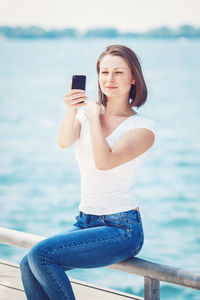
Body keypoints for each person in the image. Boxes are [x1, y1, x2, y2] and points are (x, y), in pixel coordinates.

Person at [20, 44, 157, 300]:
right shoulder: (85, 116)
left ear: (133, 78)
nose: (109, 79)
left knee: (41, 254)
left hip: (122, 229)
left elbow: (104, 161)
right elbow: (63, 141)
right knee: (27, 263)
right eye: (103, 72)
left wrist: (94, 117)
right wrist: (72, 110)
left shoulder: (143, 127)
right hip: (85, 221)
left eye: (118, 72)